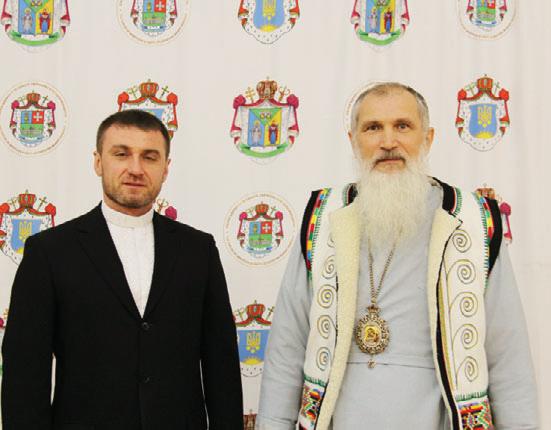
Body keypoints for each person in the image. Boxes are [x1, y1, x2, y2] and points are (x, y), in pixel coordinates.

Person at [256, 82, 538, 429]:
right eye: (373, 128)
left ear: (428, 138)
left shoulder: (475, 221)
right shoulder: (322, 216)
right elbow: (287, 348)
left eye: (402, 126)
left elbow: (508, 357)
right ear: (353, 141)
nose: (388, 142)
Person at [2, 109, 243, 430]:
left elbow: (221, 365)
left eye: (150, 157)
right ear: (98, 162)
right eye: (121, 154)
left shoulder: (199, 250)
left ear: (166, 168)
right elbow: (24, 374)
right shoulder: (49, 251)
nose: (136, 168)